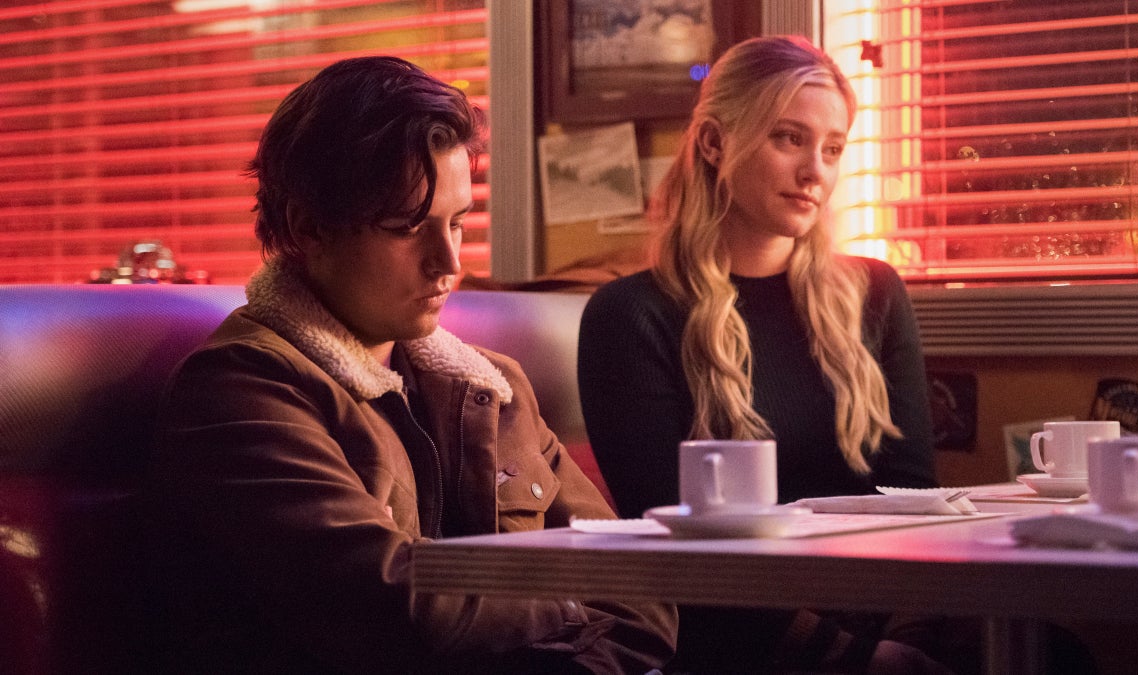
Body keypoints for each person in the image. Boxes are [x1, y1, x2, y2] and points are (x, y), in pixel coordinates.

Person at [145, 56, 676, 674]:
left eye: (458, 223)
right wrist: (571, 608)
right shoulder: (240, 390)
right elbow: (398, 612)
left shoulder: (493, 388)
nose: (449, 262)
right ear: (307, 227)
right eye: (407, 227)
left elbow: (642, 590)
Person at [577, 36, 952, 674]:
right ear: (714, 142)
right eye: (789, 138)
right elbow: (676, 552)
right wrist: (853, 659)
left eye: (833, 148)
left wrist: (914, 639)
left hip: (883, 612)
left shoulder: (876, 293)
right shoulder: (630, 316)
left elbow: (913, 496)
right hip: (740, 640)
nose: (815, 172)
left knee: (1050, 652)